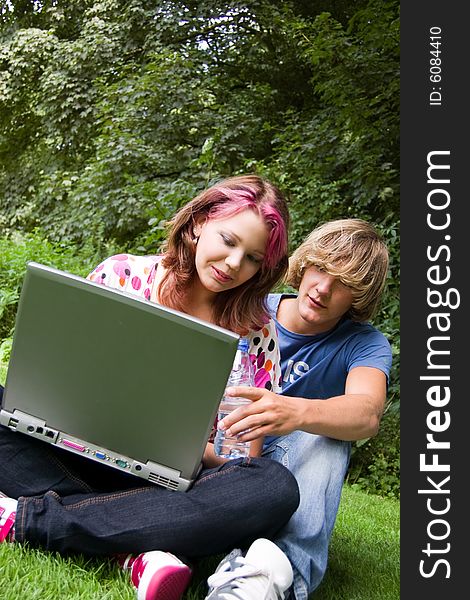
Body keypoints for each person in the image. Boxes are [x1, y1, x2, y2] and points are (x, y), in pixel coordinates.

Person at [0, 175, 300, 600]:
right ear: (198, 223)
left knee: (273, 486)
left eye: (252, 258)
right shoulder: (122, 274)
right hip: (71, 454)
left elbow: (238, 460)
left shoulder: (256, 334)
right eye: (228, 241)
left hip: (165, 488)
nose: (234, 264)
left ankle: (31, 520)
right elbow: (58, 376)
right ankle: (135, 549)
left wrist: (191, 448)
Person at [204, 218, 393, 600]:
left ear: (359, 298)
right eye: (322, 269)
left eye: (345, 284)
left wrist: (295, 413)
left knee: (327, 438)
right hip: (214, 445)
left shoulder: (365, 344)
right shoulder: (248, 306)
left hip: (288, 461)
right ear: (304, 264)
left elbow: (367, 412)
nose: (323, 289)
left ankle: (273, 580)